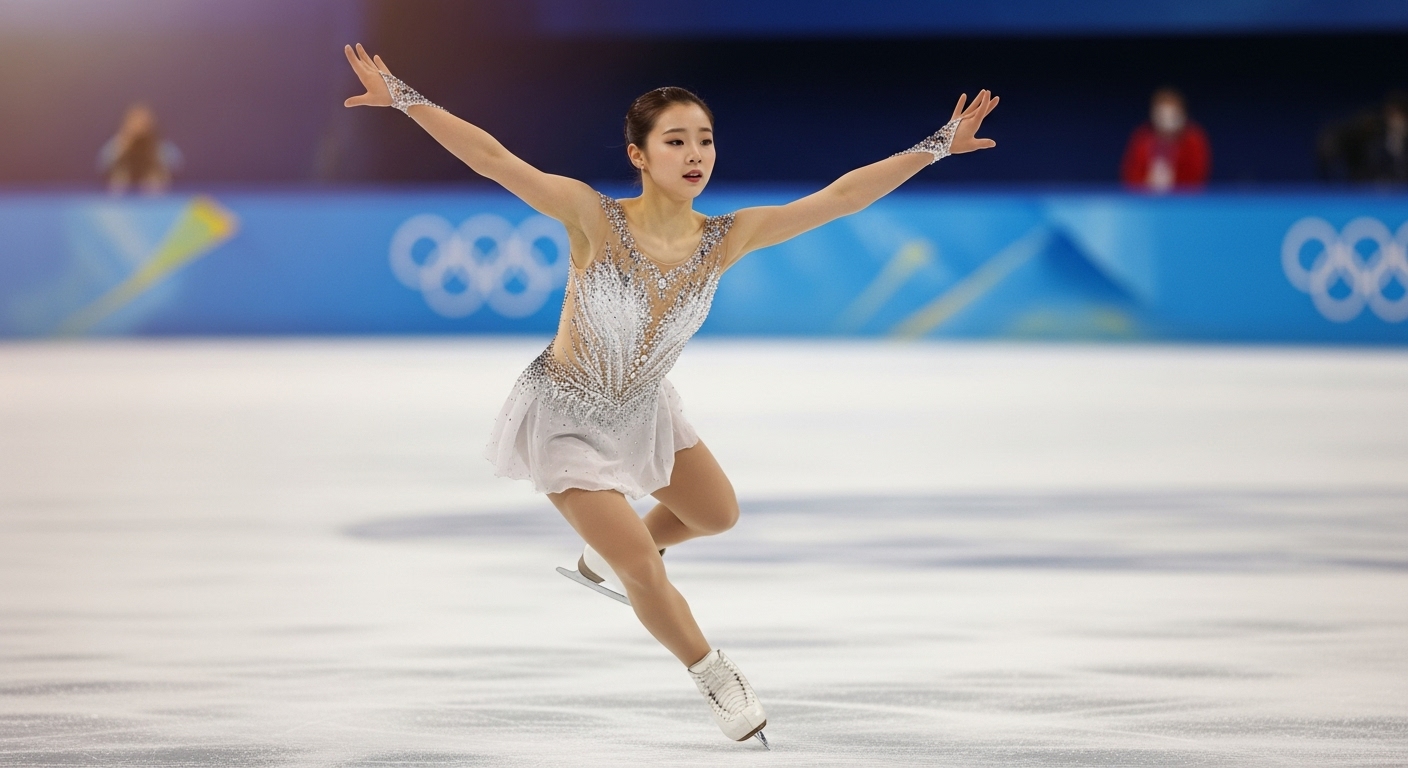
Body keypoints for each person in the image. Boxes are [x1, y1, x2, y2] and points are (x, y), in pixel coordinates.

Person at [342, 43, 998, 746]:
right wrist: (406, 97)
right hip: (565, 420)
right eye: (676, 140)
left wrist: (935, 147)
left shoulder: (727, 237)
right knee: (642, 571)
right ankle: (713, 673)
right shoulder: (592, 217)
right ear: (639, 154)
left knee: (717, 514)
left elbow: (839, 198)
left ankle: (606, 558)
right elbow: (496, 160)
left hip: (643, 409)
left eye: (705, 140)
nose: (696, 154)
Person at [1120, 87, 1211, 192]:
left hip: (1185, 203)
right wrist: (1147, 182)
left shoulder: (1194, 140)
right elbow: (1129, 175)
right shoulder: (1142, 138)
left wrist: (1173, 181)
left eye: (1172, 116)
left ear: (1183, 115)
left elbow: (1198, 178)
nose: (1167, 123)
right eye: (1162, 116)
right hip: (1146, 202)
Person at [1317, 91, 1408, 185]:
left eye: (1403, 116)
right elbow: (1331, 142)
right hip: (1368, 193)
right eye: (1394, 115)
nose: (1398, 121)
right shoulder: (1370, 136)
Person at [97, 103, 183, 195]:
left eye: (143, 122)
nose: (139, 126)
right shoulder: (117, 144)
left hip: (154, 194)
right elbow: (102, 165)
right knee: (120, 175)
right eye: (135, 121)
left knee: (154, 177)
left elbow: (176, 165)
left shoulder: (162, 147)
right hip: (122, 192)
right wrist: (125, 141)